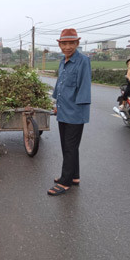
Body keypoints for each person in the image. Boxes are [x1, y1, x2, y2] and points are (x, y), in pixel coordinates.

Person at [48, 29, 91, 196]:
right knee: (68, 145)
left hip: (75, 111)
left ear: (77, 43)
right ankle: (74, 176)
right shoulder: (62, 61)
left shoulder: (83, 61)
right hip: (63, 108)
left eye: (71, 43)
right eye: (64, 43)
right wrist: (56, 103)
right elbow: (60, 84)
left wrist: (78, 111)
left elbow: (84, 87)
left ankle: (65, 182)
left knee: (70, 146)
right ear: (59, 44)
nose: (67, 47)